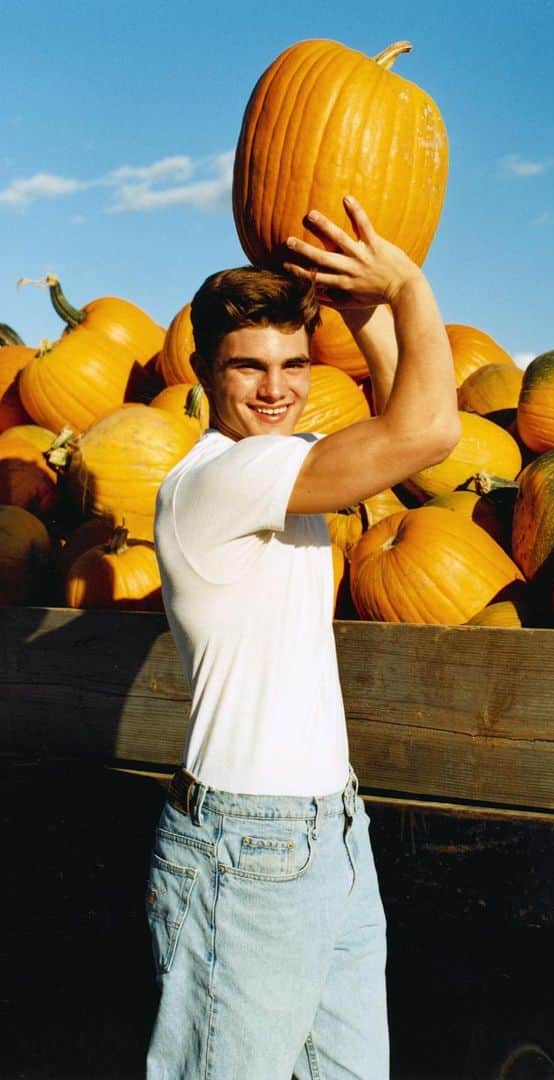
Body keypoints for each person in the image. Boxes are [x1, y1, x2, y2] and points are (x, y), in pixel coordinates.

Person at [146, 196, 460, 1079]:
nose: (276, 387)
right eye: (249, 367)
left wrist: (365, 315)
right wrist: (407, 286)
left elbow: (417, 439)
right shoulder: (219, 479)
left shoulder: (285, 462)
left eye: (292, 362)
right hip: (246, 851)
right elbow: (432, 427)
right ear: (206, 370)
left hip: (329, 831)